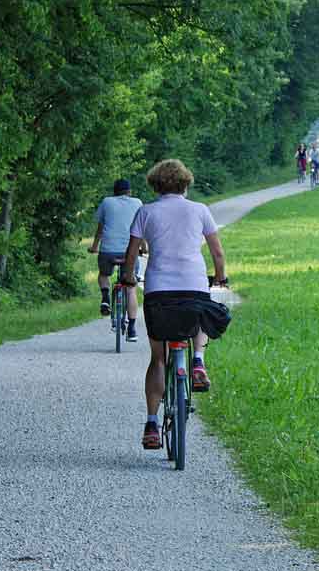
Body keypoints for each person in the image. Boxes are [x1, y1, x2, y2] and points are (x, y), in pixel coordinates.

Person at [120, 159, 229, 450]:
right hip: (193, 284)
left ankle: (152, 424)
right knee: (201, 313)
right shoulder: (200, 211)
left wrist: (128, 278)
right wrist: (221, 278)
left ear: (155, 185)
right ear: (186, 183)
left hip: (159, 291)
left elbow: (132, 254)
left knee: (158, 358)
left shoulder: (146, 212)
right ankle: (198, 362)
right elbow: (217, 253)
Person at [88, 179, 143, 341]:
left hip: (108, 251)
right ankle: (132, 329)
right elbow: (140, 229)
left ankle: (105, 298)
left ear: (114, 192)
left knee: (104, 275)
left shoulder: (107, 202)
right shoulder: (138, 202)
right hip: (130, 252)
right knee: (130, 287)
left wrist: (94, 246)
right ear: (129, 192)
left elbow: (100, 228)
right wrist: (144, 248)